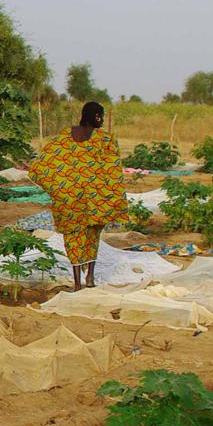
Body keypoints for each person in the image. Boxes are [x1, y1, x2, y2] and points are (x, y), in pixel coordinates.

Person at [29, 101, 129, 290]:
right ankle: (89, 277)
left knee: (73, 239)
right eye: (102, 116)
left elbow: (40, 165)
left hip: (68, 199)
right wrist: (112, 198)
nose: (102, 120)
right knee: (91, 237)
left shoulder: (64, 136)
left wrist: (58, 188)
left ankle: (77, 283)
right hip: (94, 200)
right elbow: (112, 171)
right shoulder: (105, 139)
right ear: (97, 116)